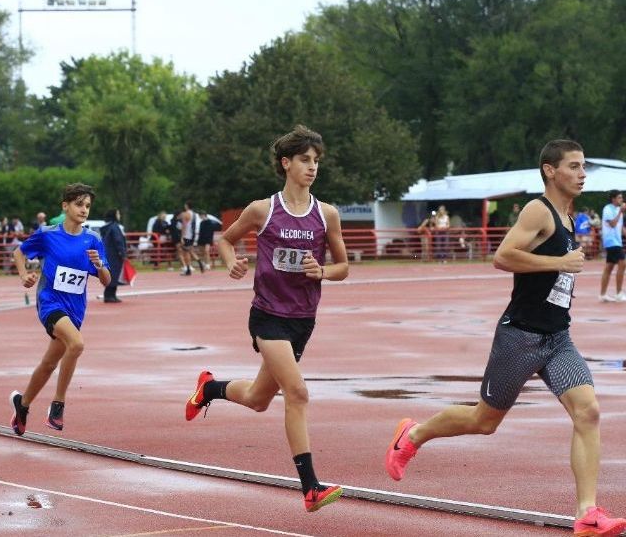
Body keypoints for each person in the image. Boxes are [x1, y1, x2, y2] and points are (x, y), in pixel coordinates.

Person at [384, 140, 626, 537]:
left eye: (584, 166)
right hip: (521, 338)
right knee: (484, 421)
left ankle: (586, 512)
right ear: (550, 170)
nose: (583, 173)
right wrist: (559, 262)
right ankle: (413, 435)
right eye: (574, 166)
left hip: (556, 338)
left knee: (589, 412)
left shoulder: (568, 217)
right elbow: (503, 256)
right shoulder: (539, 210)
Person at [184, 125, 349, 513]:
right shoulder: (263, 209)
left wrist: (322, 272)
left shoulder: (327, 215)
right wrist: (232, 263)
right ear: (286, 163)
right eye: (305, 160)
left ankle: (209, 389)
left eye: (316, 161)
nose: (312, 168)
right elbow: (225, 239)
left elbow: (343, 266)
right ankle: (311, 488)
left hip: (302, 320)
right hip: (268, 316)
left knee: (260, 399)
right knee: (298, 393)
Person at [9, 183, 111, 436]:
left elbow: (107, 280)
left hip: (75, 310)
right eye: (79, 204)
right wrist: (24, 276)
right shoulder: (48, 235)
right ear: (65, 206)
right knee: (76, 345)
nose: (84, 209)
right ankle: (58, 404)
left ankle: (22, 405)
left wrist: (99, 266)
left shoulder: (93, 239)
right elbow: (19, 253)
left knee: (48, 364)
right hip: (50, 303)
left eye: (88, 205)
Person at [598, 190, 626, 303]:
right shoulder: (608, 209)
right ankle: (619, 293)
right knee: (623, 263)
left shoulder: (618, 210)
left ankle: (602, 294)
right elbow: (613, 224)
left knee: (609, 268)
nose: (622, 200)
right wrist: (621, 212)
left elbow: (620, 227)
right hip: (611, 241)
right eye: (619, 198)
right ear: (613, 199)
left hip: (616, 241)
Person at [100, 208, 127, 303]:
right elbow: (118, 241)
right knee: (114, 275)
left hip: (108, 254)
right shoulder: (115, 227)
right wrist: (122, 253)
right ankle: (109, 295)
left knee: (112, 275)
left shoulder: (107, 227)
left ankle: (111, 295)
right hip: (114, 255)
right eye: (118, 214)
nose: (119, 215)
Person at [179, 201, 204, 275]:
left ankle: (188, 269)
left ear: (187, 206)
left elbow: (184, 226)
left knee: (185, 253)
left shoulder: (186, 214)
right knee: (190, 251)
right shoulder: (194, 214)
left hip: (187, 235)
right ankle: (199, 261)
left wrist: (182, 237)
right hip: (192, 235)